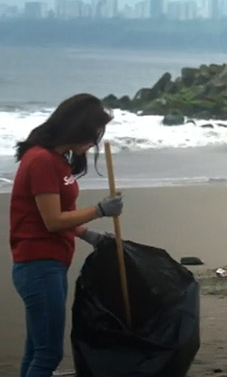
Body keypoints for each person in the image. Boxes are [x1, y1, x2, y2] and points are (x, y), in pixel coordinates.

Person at [9, 93, 124, 377]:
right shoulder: (41, 161)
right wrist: (99, 209)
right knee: (48, 353)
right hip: (38, 264)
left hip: (50, 263)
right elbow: (52, 220)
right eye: (95, 132)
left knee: (36, 348)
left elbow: (58, 215)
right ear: (79, 127)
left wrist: (89, 235)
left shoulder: (57, 161)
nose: (96, 140)